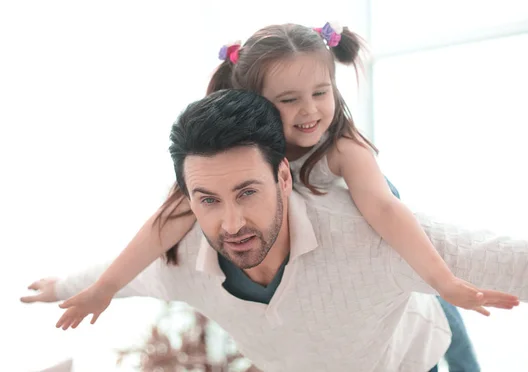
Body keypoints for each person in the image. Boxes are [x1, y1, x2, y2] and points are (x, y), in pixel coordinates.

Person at [22, 89, 528, 372]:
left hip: (405, 357)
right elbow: (116, 276)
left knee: (438, 314)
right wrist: (59, 286)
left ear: (282, 176)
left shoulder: (371, 238)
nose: (230, 224)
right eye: (207, 199)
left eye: (247, 192)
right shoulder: (182, 259)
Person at [45, 22, 487, 370]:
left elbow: (385, 210)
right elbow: (164, 225)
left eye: (321, 92)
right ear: (254, 102)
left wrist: (444, 281)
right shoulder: (239, 157)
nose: (310, 110)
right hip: (334, 295)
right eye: (290, 100)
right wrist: (102, 289)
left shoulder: (342, 146)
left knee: (438, 314)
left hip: (397, 244)